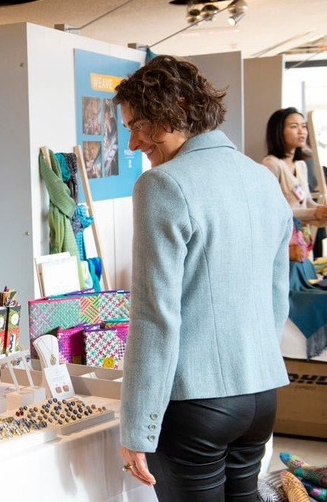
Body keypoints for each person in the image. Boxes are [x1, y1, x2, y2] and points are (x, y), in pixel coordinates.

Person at [112, 55, 293, 501]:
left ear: (174, 107)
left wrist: (137, 427)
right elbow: (276, 295)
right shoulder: (261, 179)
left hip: (196, 404)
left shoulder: (163, 185)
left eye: (137, 125)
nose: (133, 143)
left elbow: (156, 315)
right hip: (259, 396)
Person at [262, 107, 327, 228]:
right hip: (284, 237)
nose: (301, 131)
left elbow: (306, 202)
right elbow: (274, 210)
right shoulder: (271, 164)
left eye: (303, 126)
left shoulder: (301, 165)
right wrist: (314, 213)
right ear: (279, 131)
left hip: (301, 236)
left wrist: (321, 210)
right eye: (294, 126)